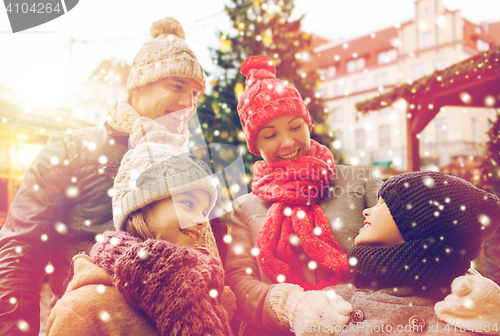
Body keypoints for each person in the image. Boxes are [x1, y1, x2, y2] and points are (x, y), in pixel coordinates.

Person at [0, 17, 225, 336]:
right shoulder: (73, 149)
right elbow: (20, 248)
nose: (188, 104)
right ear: (139, 85)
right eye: (176, 86)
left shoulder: (188, 169)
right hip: (89, 323)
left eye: (195, 94)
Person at [225, 55, 382, 336]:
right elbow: (238, 281)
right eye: (270, 135)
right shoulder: (245, 207)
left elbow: (408, 244)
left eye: (295, 127)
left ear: (307, 125)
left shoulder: (361, 181)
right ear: (255, 144)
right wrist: (292, 306)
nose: (287, 142)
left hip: (363, 326)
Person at [46, 131, 234, 335]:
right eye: (188, 204)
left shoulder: (213, 295)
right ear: (141, 206)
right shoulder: (83, 309)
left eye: (205, 211)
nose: (202, 221)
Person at [329, 171, 500, 335]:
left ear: (421, 223)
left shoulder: (469, 305)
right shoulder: (341, 295)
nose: (366, 211)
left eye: (383, 204)